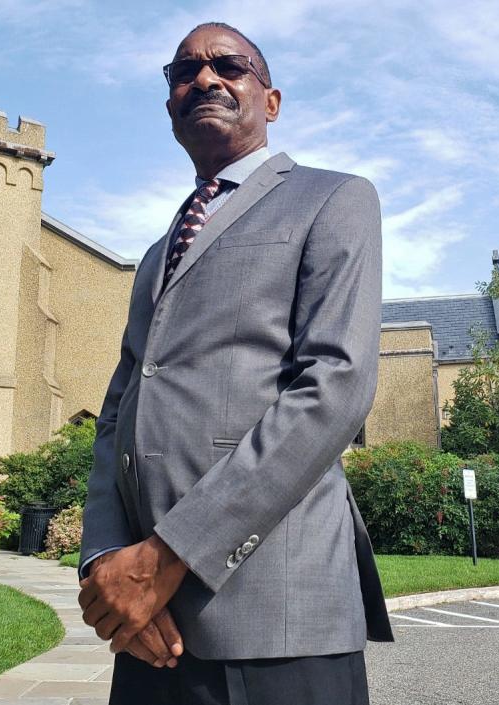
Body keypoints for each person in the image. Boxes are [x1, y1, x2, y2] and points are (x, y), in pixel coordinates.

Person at [77, 21, 393, 705]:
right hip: (149, 632)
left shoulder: (334, 199)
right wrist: (105, 559)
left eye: (229, 65)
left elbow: (335, 387)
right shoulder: (160, 250)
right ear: (170, 108)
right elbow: (119, 410)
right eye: (184, 71)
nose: (205, 79)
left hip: (277, 624)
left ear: (270, 101)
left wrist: (167, 557)